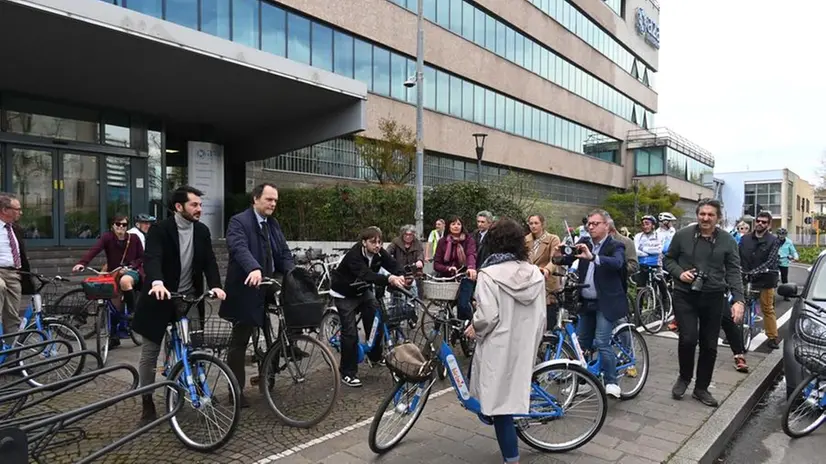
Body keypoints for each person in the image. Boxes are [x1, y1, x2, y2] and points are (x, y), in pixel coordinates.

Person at [132, 186, 226, 425]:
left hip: (188, 298)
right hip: (160, 295)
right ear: (178, 207)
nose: (199, 209)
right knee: (150, 353)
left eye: (200, 205)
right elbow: (152, 258)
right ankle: (147, 401)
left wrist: (215, 285)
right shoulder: (160, 230)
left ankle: (198, 388)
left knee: (195, 346)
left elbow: (209, 262)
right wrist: (157, 282)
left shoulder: (202, 231)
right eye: (194, 205)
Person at [464, 218, 546, 464]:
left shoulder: (489, 274)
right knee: (508, 399)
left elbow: (487, 315)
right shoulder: (535, 273)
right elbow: (542, 316)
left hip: (498, 347)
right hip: (524, 346)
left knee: (499, 408)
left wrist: (474, 328)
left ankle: (512, 458)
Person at [663, 199, 744, 407]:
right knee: (688, 338)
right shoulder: (682, 235)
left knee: (709, 344)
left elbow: (734, 271)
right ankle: (684, 377)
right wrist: (680, 274)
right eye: (702, 214)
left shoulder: (728, 240)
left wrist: (738, 300)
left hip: (714, 296)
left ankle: (701, 388)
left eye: (710, 215)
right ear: (697, 215)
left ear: (718, 217)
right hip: (685, 295)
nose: (706, 218)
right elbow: (668, 260)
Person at [220, 183, 294, 406]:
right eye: (269, 199)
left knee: (291, 303)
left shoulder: (273, 224)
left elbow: (283, 253)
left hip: (267, 284)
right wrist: (253, 268)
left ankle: (281, 352)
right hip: (246, 286)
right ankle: (236, 391)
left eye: (275, 201)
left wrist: (294, 272)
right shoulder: (239, 222)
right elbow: (238, 247)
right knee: (240, 340)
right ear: (255, 199)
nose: (273, 204)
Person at [553, 209, 629, 399]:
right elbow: (567, 258)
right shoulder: (584, 243)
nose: (591, 226)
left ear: (606, 226)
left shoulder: (615, 245)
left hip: (607, 302)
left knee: (603, 341)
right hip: (586, 302)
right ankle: (585, 381)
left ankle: (612, 381)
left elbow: (617, 263)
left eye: (596, 223)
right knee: (582, 343)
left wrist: (593, 257)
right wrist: (557, 256)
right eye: (589, 223)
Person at [329, 226, 406, 388]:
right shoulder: (354, 256)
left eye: (380, 242)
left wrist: (402, 274)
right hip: (344, 292)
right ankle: (347, 372)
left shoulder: (379, 253)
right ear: (364, 243)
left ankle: (375, 355)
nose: (377, 245)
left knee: (376, 319)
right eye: (373, 242)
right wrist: (389, 279)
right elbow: (367, 275)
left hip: (362, 290)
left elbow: (392, 264)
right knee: (350, 333)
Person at [73, 215, 144, 347]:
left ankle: (133, 313)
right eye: (118, 224)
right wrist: (82, 263)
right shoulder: (107, 237)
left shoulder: (134, 239)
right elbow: (94, 250)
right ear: (113, 225)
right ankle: (113, 336)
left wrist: (131, 266)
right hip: (113, 272)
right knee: (113, 306)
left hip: (131, 271)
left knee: (125, 281)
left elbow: (141, 257)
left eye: (124, 224)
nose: (121, 227)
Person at [739, 211, 782, 350]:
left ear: (768, 225)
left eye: (764, 222)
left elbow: (771, 260)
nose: (760, 223)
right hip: (745, 276)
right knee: (739, 304)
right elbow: (737, 255)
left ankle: (773, 337)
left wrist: (757, 271)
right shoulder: (745, 239)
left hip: (766, 278)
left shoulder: (773, 240)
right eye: (758, 221)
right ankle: (734, 334)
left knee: (767, 308)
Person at [0, 193, 34, 336]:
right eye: (17, 209)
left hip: (14, 274)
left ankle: (11, 355)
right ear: (4, 210)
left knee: (13, 318)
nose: (21, 212)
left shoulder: (15, 229)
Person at [433, 216, 478, 320]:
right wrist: (448, 268)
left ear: (462, 226)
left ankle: (468, 327)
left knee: (463, 304)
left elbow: (471, 254)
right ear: (449, 226)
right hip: (447, 278)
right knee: (445, 309)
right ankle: (449, 330)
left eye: (458, 224)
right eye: (453, 224)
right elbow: (437, 264)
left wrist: (471, 267)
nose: (456, 226)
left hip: (464, 276)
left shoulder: (469, 240)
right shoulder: (442, 242)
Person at [525, 214, 561, 325]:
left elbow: (555, 259)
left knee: (548, 318)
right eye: (531, 223)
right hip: (529, 282)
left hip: (547, 282)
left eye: (536, 223)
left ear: (542, 224)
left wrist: (547, 270)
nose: (533, 226)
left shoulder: (552, 239)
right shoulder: (525, 240)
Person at [386, 224, 424, 301]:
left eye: (410, 235)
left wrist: (420, 261)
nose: (408, 236)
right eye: (406, 234)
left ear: (413, 235)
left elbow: (420, 254)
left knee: (414, 294)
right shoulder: (396, 242)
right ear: (402, 234)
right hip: (399, 271)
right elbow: (388, 252)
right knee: (396, 296)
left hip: (413, 273)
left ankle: (414, 309)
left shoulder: (417, 243)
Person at [776, 228, 799, 298]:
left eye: (783, 234)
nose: (781, 236)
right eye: (780, 234)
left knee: (784, 278)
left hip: (784, 261)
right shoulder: (774, 241)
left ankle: (786, 295)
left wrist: (796, 257)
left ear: (786, 235)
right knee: (772, 276)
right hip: (774, 261)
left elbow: (793, 251)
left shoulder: (789, 242)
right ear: (777, 234)